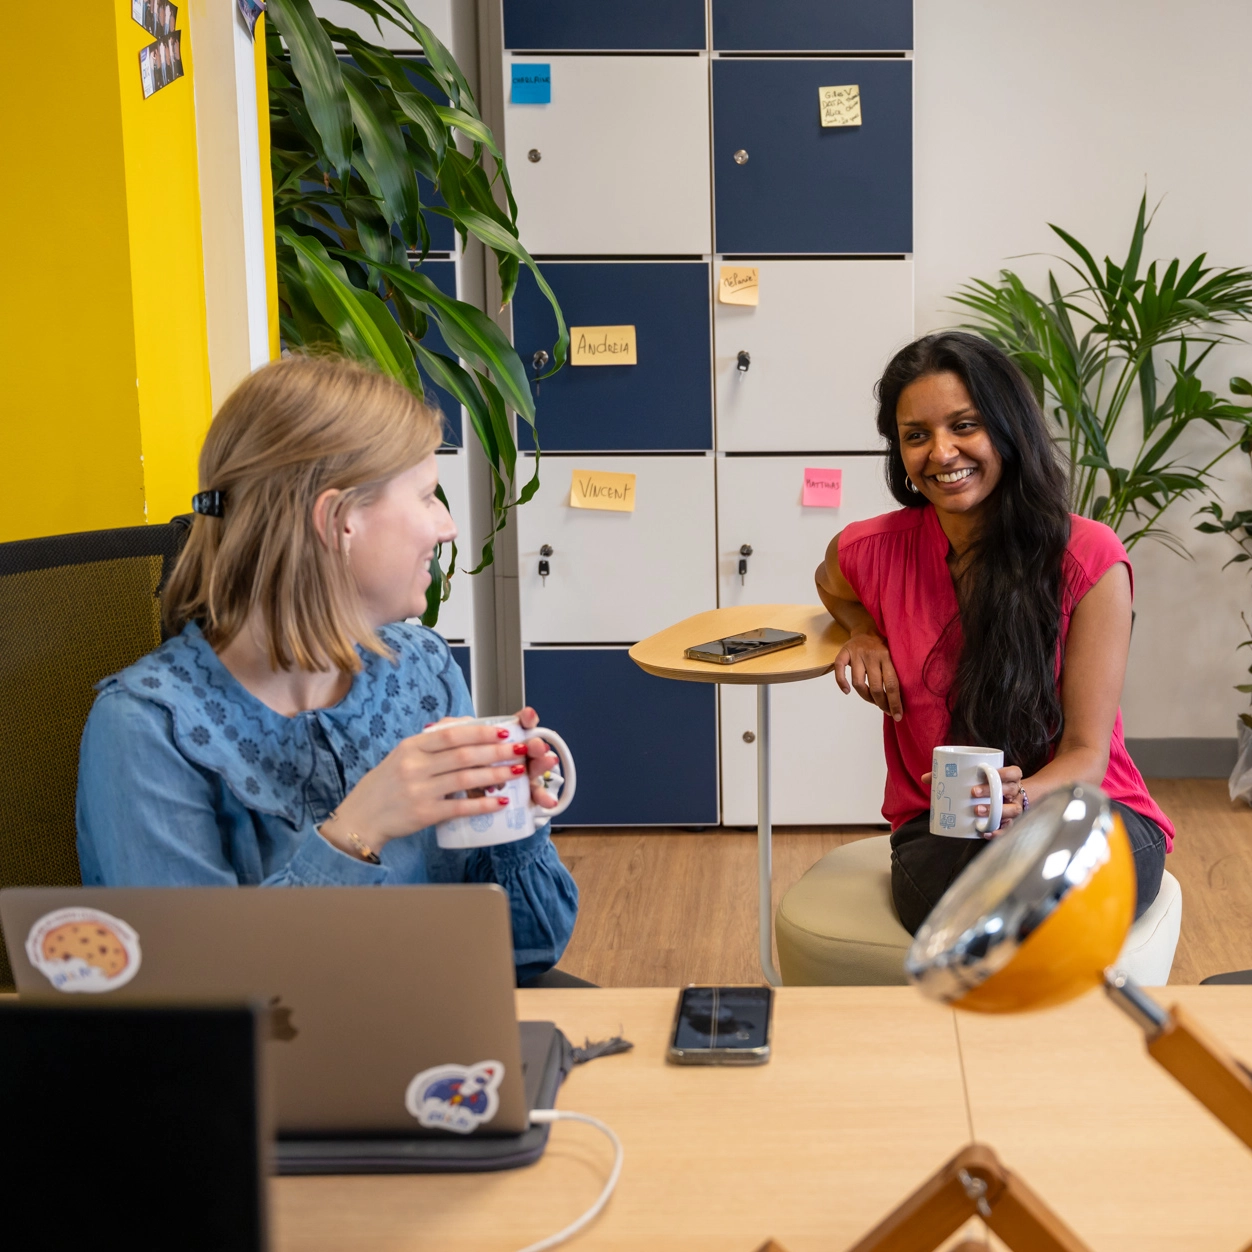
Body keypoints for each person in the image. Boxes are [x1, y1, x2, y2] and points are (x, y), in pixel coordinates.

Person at [76, 354, 579, 984]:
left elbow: (529, 951)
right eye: (427, 497)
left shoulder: (422, 670)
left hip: (439, 1027)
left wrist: (512, 819)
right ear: (338, 520)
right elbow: (190, 996)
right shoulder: (145, 729)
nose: (447, 528)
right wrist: (358, 829)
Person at [815, 332, 1172, 935]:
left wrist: (1019, 799)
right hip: (943, 828)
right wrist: (863, 630)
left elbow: (1087, 753)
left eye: (964, 425)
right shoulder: (871, 549)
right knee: (988, 911)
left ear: (1008, 429)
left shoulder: (1087, 557)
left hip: (1085, 811)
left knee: (1031, 911)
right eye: (916, 435)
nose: (941, 452)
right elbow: (831, 585)